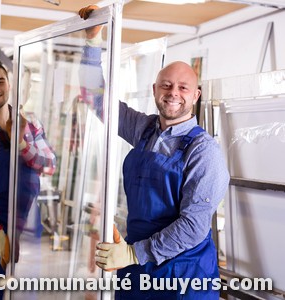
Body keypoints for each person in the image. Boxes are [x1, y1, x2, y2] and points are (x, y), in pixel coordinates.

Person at [79, 6, 230, 299]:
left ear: (196, 95)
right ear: (154, 89)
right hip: (136, 268)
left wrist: (134, 254)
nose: (173, 92)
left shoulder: (204, 152)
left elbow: (193, 227)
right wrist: (92, 40)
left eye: (183, 87)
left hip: (184, 274)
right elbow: (94, 97)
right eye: (167, 85)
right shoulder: (144, 129)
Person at [0, 60, 56, 300]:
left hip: (28, 223)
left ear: (9, 84)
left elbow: (49, 165)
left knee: (25, 293)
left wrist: (22, 143)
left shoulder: (31, 124)